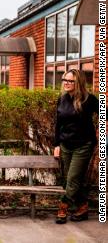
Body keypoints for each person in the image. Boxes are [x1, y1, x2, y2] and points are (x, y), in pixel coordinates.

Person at [53, 69, 98, 224]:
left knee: (72, 179)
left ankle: (62, 208)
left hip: (83, 145)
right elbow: (58, 124)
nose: (66, 82)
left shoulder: (89, 99)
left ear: (77, 82)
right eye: (64, 79)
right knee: (69, 180)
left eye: (70, 80)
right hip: (66, 145)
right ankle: (82, 207)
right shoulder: (62, 99)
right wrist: (57, 144)